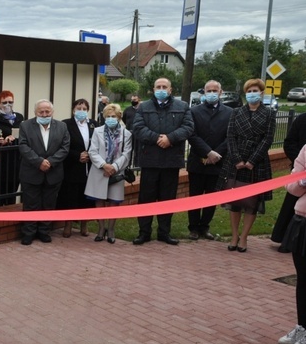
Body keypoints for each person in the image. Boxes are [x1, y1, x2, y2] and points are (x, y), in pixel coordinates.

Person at [131, 77, 194, 245]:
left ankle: (164, 233)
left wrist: (170, 139)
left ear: (171, 89)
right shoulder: (143, 107)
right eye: (158, 86)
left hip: (171, 161)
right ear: (153, 89)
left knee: (167, 199)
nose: (161, 89)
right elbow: (137, 128)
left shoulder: (182, 107)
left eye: (164, 86)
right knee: (146, 199)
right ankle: (144, 232)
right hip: (150, 161)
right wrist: (158, 138)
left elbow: (188, 127)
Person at [217, 78, 275, 252]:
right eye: (249, 91)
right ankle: (234, 236)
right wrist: (237, 159)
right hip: (236, 161)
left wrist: (251, 161)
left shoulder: (269, 114)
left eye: (255, 91)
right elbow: (230, 136)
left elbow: (268, 139)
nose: (252, 94)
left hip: (257, 163)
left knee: (251, 203)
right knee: (235, 201)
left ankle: (244, 237)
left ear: (262, 93)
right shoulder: (236, 112)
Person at [18, 99, 70, 245]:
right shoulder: (25, 126)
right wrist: (39, 162)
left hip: (53, 173)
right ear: (35, 112)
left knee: (49, 204)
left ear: (52, 112)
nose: (45, 114)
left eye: (47, 111)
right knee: (30, 204)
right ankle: (28, 233)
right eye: (41, 111)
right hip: (31, 172)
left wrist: (51, 162)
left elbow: (65, 148)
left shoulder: (62, 126)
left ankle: (44, 232)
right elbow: (23, 146)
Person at [186, 80, 232, 241]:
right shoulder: (193, 111)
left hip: (218, 162)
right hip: (198, 161)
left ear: (221, 92)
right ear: (203, 92)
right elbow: (191, 134)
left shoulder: (230, 112)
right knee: (195, 196)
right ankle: (193, 228)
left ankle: (204, 227)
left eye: (215, 90)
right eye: (208, 90)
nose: (211, 93)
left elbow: (230, 136)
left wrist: (216, 154)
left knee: (211, 197)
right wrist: (206, 153)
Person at [84, 103, 133, 243]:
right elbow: (92, 151)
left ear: (118, 117)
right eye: (108, 116)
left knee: (113, 202)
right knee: (99, 200)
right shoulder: (97, 131)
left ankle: (111, 229)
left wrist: (114, 167)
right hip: (99, 170)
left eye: (113, 116)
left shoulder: (126, 133)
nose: (110, 118)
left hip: (116, 172)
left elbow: (127, 153)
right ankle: (101, 229)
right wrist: (104, 165)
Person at [278, 143, 306, 344]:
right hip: (303, 221)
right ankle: (302, 327)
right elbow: (291, 186)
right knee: (303, 278)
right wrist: (303, 181)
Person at [57, 99, 96, 237]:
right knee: (70, 197)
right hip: (72, 166)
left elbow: (97, 143)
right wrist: (77, 155)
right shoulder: (66, 124)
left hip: (89, 166)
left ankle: (84, 225)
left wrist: (90, 155)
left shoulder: (93, 124)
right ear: (73, 109)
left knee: (85, 197)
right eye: (79, 108)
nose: (82, 111)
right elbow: (62, 145)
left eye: (84, 109)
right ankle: (68, 225)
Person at [272, 112, 306, 253]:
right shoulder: (302, 119)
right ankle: (285, 240)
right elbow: (289, 143)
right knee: (291, 206)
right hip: (299, 173)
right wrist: (300, 160)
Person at [0, 90, 24, 207]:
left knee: (11, 194)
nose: (8, 105)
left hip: (15, 159)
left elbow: (22, 134)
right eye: (4, 102)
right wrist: (0, 140)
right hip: (0, 160)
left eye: (10, 102)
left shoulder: (19, 117)